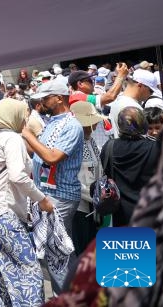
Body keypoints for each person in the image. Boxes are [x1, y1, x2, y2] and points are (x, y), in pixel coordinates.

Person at [0, 98, 53, 307]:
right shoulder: (11, 138)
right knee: (29, 269)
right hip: (1, 211)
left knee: (6, 268)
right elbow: (17, 176)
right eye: (23, 115)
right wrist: (42, 199)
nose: (25, 120)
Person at [21, 76, 82, 295]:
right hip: (47, 194)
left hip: (60, 196)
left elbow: (52, 156)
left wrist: (28, 135)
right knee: (59, 249)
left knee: (57, 251)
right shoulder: (52, 124)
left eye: (45, 99)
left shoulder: (71, 126)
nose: (41, 104)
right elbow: (39, 154)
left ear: (58, 99)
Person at [100, 106, 161, 227]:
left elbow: (106, 175)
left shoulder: (109, 147)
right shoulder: (156, 148)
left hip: (121, 217)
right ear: (143, 125)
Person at [69, 101, 104, 258]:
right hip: (80, 206)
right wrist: (93, 196)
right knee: (81, 247)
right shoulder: (73, 145)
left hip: (94, 203)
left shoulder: (91, 141)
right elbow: (72, 177)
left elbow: (99, 169)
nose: (95, 125)